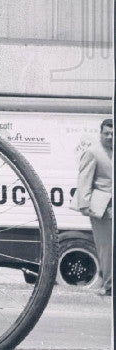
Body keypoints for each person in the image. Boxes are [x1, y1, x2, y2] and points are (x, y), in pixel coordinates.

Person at [75, 118, 113, 297]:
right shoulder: (93, 152)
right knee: (106, 248)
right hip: (102, 209)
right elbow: (84, 179)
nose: (110, 136)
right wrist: (84, 204)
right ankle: (109, 285)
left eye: (113, 133)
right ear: (100, 133)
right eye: (106, 133)